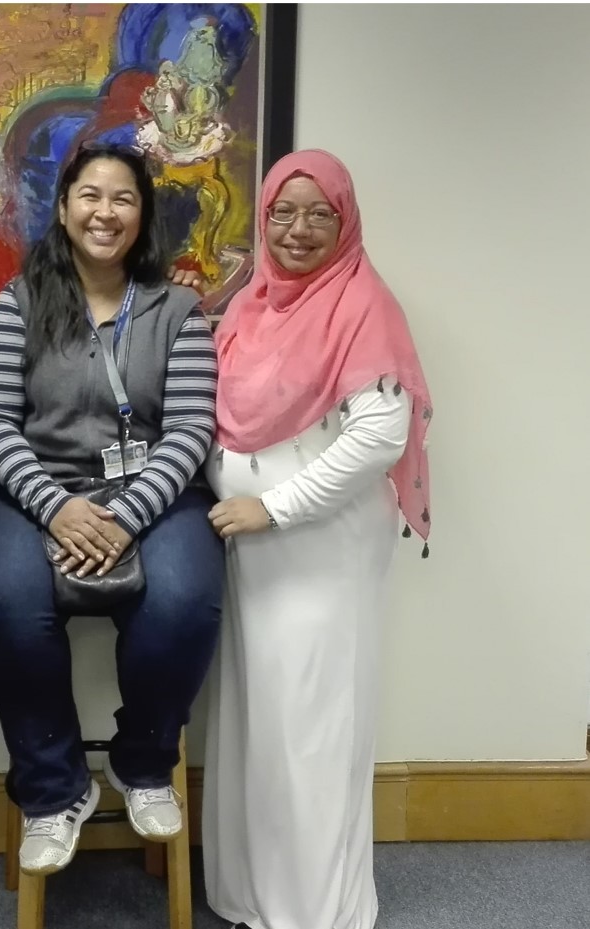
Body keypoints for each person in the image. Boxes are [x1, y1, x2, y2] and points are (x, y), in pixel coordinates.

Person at [0, 142, 225, 876]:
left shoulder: (180, 311)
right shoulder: (22, 299)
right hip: (29, 491)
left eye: (123, 199)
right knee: (3, 601)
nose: (105, 211)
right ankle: (53, 790)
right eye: (90, 194)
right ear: (64, 206)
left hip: (153, 493)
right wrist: (55, 507)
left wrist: (124, 515)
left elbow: (190, 430)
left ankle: (141, 764)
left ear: (143, 217)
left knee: (183, 598)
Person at [201, 149, 432, 929]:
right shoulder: (251, 305)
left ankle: (313, 914)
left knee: (313, 727)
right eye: (283, 213)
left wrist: (275, 506)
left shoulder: (364, 303)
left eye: (319, 214)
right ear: (262, 218)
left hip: (321, 547)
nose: (299, 231)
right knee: (258, 723)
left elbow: (379, 436)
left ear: (346, 219)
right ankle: (249, 896)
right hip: (253, 552)